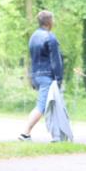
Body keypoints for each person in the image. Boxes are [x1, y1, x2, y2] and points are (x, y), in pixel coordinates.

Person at [19, 10, 63, 141]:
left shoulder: (33, 37)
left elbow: (33, 59)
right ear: (49, 22)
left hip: (36, 75)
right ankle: (25, 133)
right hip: (47, 76)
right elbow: (56, 61)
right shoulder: (50, 37)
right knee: (42, 106)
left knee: (53, 105)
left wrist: (32, 78)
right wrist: (59, 79)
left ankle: (57, 136)